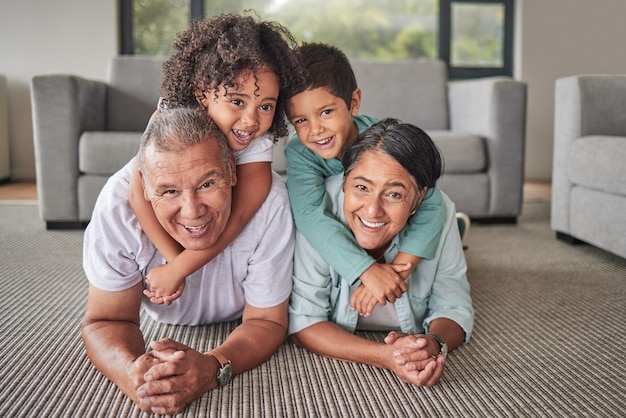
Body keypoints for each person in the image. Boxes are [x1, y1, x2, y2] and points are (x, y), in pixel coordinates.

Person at [82, 108, 294, 415]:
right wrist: (133, 375)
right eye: (169, 191)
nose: (193, 211)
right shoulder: (117, 207)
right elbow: (106, 319)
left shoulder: (269, 201)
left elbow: (267, 321)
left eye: (207, 184)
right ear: (144, 188)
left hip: (240, 319)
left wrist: (212, 366)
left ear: (232, 171)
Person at [128, 13, 302, 304]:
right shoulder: (172, 113)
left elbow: (241, 214)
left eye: (266, 106)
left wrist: (181, 268)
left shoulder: (258, 137)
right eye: (237, 101)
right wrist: (174, 261)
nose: (250, 120)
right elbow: (137, 194)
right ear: (202, 93)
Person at [288, 118, 474, 387]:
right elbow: (304, 321)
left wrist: (433, 344)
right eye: (361, 188)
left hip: (433, 222)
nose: (372, 210)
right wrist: (386, 356)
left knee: (447, 240)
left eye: (394, 195)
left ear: (420, 198)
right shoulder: (318, 215)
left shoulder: (437, 211)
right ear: (344, 181)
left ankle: (456, 230)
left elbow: (454, 306)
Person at [284, 42, 448, 316]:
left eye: (326, 112)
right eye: (300, 120)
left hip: (385, 226)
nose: (315, 130)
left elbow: (431, 198)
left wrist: (396, 271)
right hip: (358, 228)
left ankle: (453, 227)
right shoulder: (300, 152)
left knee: (434, 211)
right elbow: (310, 215)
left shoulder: (382, 141)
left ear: (354, 103)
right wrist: (366, 270)